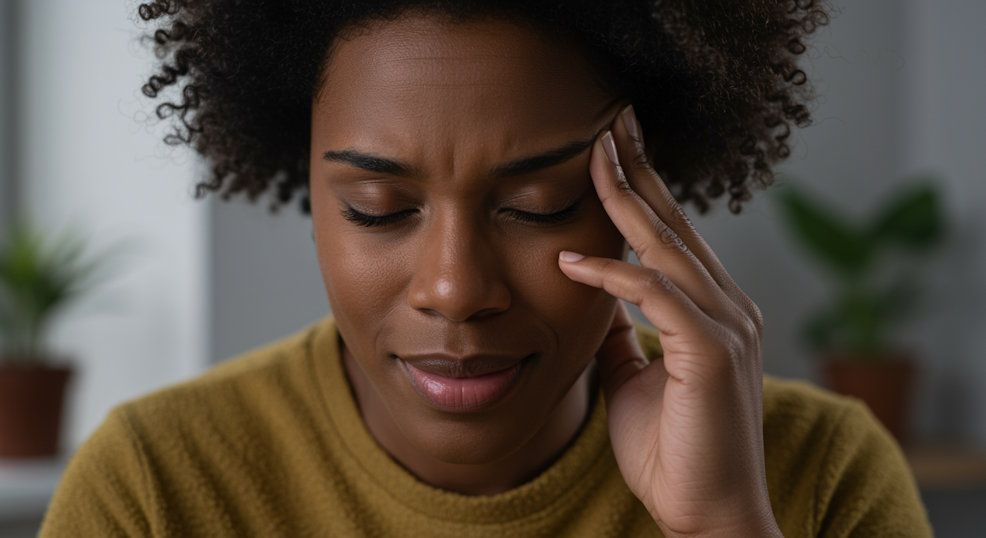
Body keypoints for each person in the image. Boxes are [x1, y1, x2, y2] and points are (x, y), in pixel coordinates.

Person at [40, 1, 933, 536]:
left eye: (537, 206)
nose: (455, 288)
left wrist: (724, 527)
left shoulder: (818, 473)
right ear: (308, 187)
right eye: (377, 211)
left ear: (644, 201)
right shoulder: (156, 489)